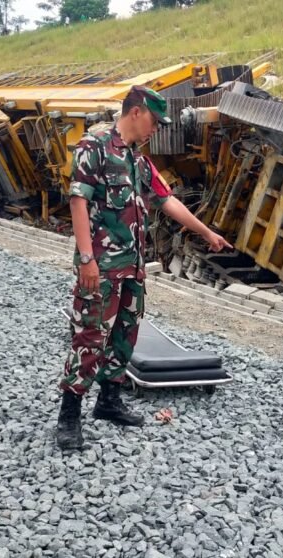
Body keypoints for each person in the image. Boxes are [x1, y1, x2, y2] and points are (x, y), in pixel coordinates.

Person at [56, 85, 232, 451]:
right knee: (89, 337)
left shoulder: (138, 159)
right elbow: (77, 202)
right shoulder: (96, 146)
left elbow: (166, 201)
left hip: (132, 268)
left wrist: (207, 232)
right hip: (101, 268)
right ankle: (69, 416)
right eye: (154, 120)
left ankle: (109, 402)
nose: (156, 129)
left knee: (124, 335)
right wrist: (87, 259)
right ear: (136, 112)